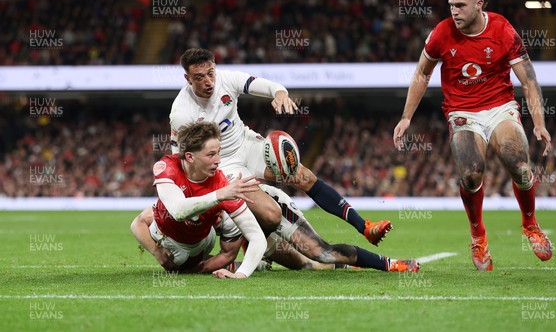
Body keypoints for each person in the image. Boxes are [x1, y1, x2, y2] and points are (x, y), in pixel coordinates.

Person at [393, 0, 553, 271]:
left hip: (499, 107)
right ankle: (478, 236)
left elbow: (529, 81)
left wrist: (539, 123)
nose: (454, 11)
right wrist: (406, 117)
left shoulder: (502, 30)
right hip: (462, 111)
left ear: (479, 5)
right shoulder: (441, 33)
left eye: (460, 5)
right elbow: (421, 74)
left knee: (518, 164)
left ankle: (530, 225)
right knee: (470, 175)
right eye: (451, 5)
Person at [169, 48, 392, 245]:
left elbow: (272, 87)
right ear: (188, 79)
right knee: (270, 214)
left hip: (247, 144)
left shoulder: (227, 80)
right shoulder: (182, 113)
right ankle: (251, 245)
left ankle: (364, 227)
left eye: (210, 73)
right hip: (223, 165)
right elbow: (179, 157)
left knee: (303, 177)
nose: (208, 81)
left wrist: (280, 95)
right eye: (199, 77)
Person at [133, 183, 420, 273]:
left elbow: (226, 257)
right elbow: (141, 221)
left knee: (321, 252)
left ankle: (391, 264)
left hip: (273, 209)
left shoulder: (223, 209)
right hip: (250, 224)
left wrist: (192, 270)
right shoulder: (179, 208)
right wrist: (159, 251)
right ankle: (346, 267)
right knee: (302, 266)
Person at [130, 121, 266, 278]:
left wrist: (241, 275)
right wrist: (156, 251)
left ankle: (237, 264)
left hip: (206, 236)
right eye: (210, 154)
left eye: (219, 152)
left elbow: (256, 236)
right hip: (177, 247)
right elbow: (179, 211)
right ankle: (223, 264)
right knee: (165, 210)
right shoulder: (167, 167)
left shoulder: (221, 183)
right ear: (190, 157)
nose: (218, 160)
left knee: (229, 218)